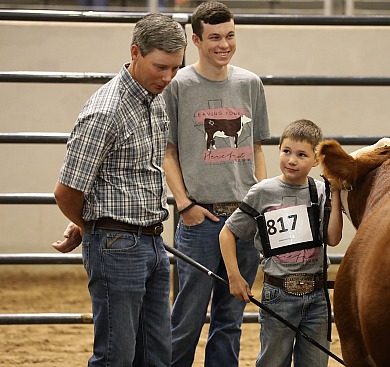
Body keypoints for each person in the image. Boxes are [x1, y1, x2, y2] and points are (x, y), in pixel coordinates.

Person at [50, 13, 187, 367]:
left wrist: (90, 219)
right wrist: (91, 224)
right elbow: (66, 191)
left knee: (156, 354)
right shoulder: (106, 111)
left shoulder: (153, 100)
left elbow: (130, 176)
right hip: (117, 245)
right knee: (116, 355)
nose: (168, 77)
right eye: (161, 67)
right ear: (135, 53)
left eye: (175, 68)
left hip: (152, 240)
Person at [162, 2, 271, 366]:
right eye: (214, 38)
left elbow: (255, 146)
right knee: (187, 316)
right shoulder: (177, 86)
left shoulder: (250, 84)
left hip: (244, 218)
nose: (224, 44)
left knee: (231, 318)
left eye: (229, 35)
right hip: (201, 219)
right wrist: (184, 205)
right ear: (195, 39)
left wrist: (262, 200)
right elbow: (168, 150)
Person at [219, 119, 343, 367]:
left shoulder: (320, 191)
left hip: (317, 295)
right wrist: (234, 276)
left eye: (301, 154)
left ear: (316, 160)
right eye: (286, 151)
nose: (292, 160)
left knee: (316, 362)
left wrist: (336, 193)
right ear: (278, 150)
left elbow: (332, 238)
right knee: (272, 362)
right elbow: (227, 233)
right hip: (278, 293)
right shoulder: (262, 191)